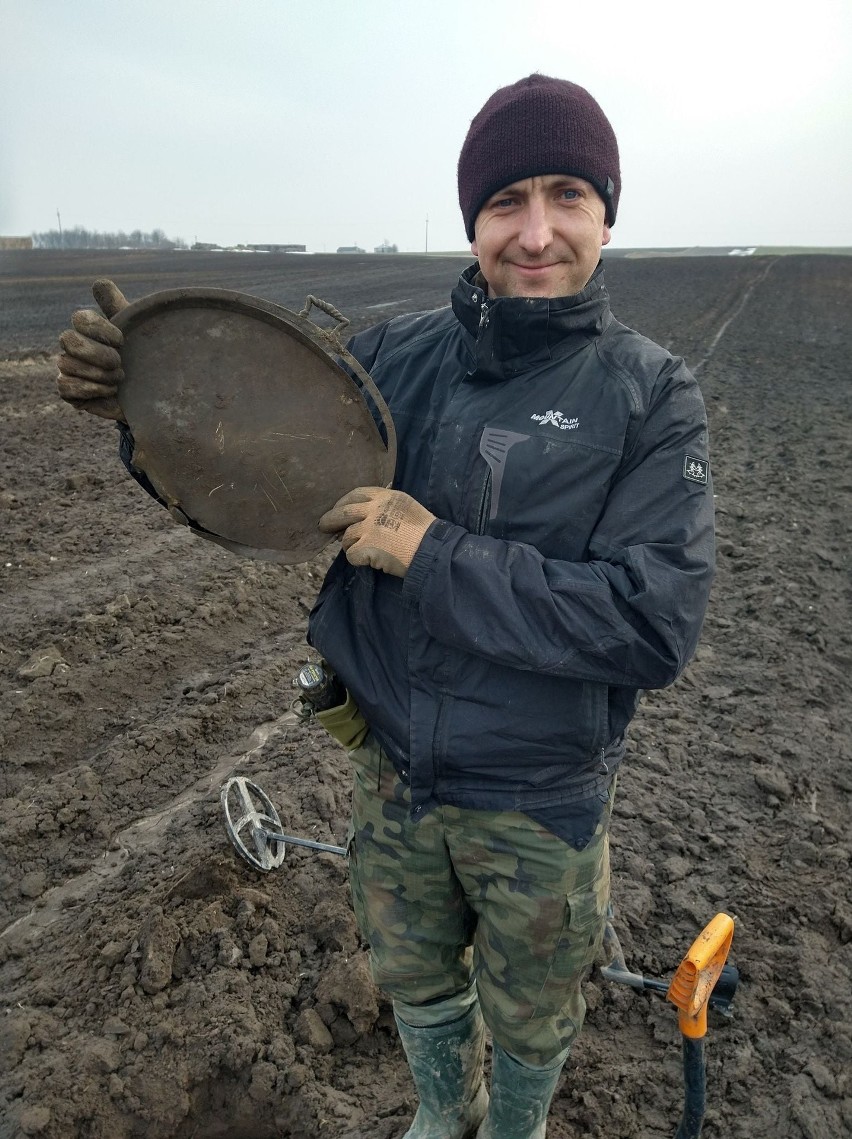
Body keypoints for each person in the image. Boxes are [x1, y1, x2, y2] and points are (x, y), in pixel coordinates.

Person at [57, 74, 715, 1139]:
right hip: (394, 763)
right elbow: (250, 467)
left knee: (536, 1006)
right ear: (473, 221)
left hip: (539, 793)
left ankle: (515, 1124)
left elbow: (651, 620)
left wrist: (433, 552)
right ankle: (442, 1111)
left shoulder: (649, 394)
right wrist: (141, 409)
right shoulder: (393, 358)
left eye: (566, 197)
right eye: (506, 202)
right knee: (410, 969)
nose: (536, 231)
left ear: (606, 213)